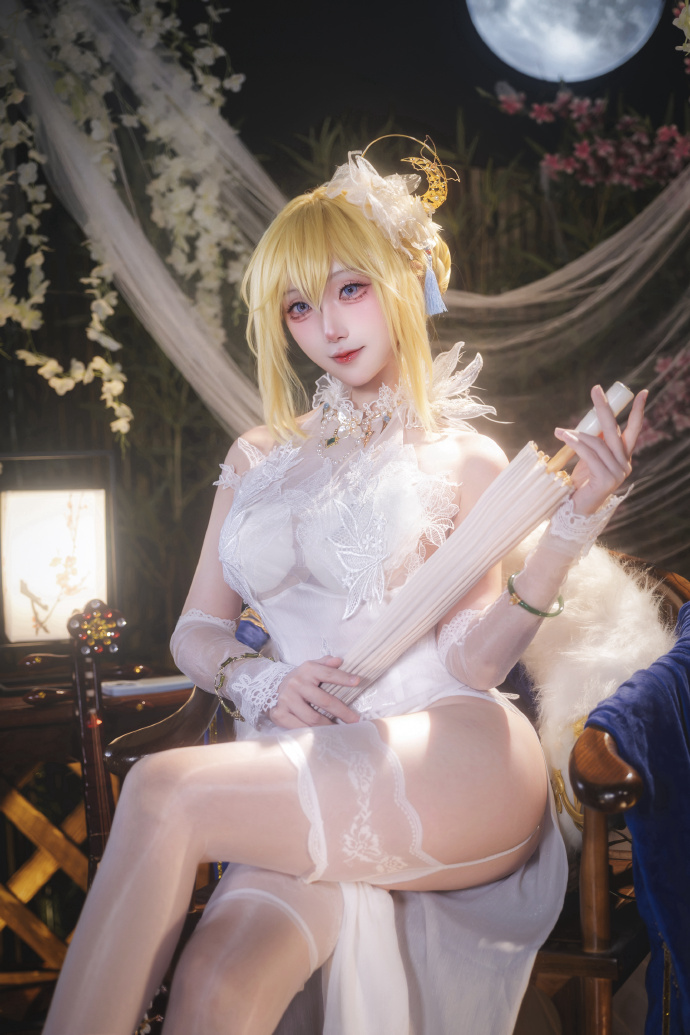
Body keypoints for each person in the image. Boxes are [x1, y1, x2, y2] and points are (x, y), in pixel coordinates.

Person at [42, 145, 646, 1035]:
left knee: (164, 791)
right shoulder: (257, 456)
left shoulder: (464, 458)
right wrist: (258, 680)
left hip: (449, 756)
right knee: (216, 985)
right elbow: (196, 629)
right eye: (298, 305)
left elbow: (472, 662)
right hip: (297, 758)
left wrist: (569, 531)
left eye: (349, 289)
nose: (326, 324)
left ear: (403, 284)